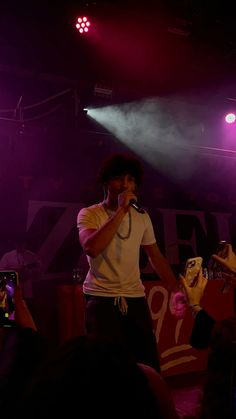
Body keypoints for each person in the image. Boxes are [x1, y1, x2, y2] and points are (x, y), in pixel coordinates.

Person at [77, 152, 178, 372]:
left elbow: (155, 256)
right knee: (105, 369)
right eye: (118, 178)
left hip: (134, 299)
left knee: (147, 365)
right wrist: (121, 210)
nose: (125, 184)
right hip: (101, 299)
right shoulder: (89, 214)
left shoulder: (142, 217)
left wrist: (175, 289)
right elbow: (91, 248)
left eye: (130, 179)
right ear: (106, 181)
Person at [0, 237, 42, 314]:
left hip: (27, 284)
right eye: (19, 244)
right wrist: (15, 270)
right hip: (12, 284)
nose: (21, 246)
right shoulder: (7, 256)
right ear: (15, 245)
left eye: (23, 244)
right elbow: (1, 269)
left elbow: (38, 268)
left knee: (28, 304)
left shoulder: (31, 256)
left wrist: (29, 271)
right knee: (13, 304)